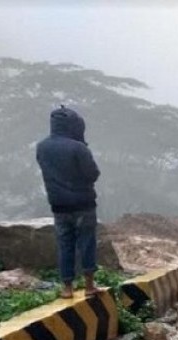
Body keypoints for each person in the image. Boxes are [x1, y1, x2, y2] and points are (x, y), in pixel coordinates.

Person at [36, 106, 102, 299]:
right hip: (83, 204)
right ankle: (89, 286)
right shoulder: (78, 147)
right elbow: (93, 174)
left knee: (65, 245)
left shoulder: (42, 147)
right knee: (87, 243)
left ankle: (67, 288)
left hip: (58, 206)